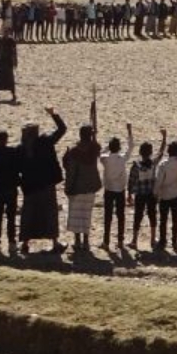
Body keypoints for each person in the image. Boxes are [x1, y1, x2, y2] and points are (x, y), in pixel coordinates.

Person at [17, 109, 68, 255]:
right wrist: (53, 114)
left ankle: (25, 244)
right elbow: (62, 129)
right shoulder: (45, 141)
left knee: (29, 214)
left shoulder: (20, 148)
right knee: (50, 212)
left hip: (29, 187)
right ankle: (55, 243)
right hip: (47, 185)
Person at [62, 104, 104, 254]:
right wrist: (94, 136)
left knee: (76, 215)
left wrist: (68, 188)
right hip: (91, 187)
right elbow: (97, 146)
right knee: (86, 215)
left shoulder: (75, 151)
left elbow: (70, 170)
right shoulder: (93, 148)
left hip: (77, 187)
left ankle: (78, 241)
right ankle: (85, 241)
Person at [99, 126, 130, 251]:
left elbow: (100, 153)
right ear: (119, 148)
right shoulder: (122, 159)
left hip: (109, 189)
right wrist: (129, 132)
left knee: (107, 216)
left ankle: (106, 242)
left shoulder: (105, 159)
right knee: (121, 216)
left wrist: (107, 147)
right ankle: (120, 241)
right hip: (120, 190)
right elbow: (131, 147)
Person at [126, 138, 159, 250]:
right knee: (152, 215)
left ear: (140, 152)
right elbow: (160, 153)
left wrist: (129, 194)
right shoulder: (153, 163)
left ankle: (134, 240)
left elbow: (131, 181)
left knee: (138, 216)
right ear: (150, 152)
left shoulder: (136, 166)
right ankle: (153, 239)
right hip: (151, 194)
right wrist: (164, 139)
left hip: (140, 195)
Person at [155, 134, 177, 252]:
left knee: (163, 220)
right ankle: (174, 241)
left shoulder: (163, 164)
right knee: (175, 219)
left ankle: (162, 241)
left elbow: (159, 181)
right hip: (176, 194)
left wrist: (155, 192)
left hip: (165, 195)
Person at [0, 25, 20, 105]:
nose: (6, 33)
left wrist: (15, 62)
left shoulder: (11, 41)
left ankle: (13, 95)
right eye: (5, 32)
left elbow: (14, 52)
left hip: (8, 62)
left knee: (10, 80)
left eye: (7, 32)